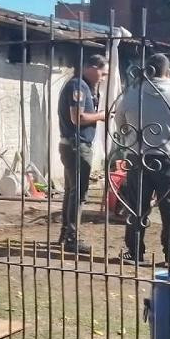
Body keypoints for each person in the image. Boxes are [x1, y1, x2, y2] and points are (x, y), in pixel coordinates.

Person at [113, 54, 170, 267]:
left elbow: (119, 120)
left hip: (138, 156)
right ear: (168, 71)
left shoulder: (132, 92)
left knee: (137, 206)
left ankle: (134, 252)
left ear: (148, 70)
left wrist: (130, 138)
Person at [57, 54, 109, 254]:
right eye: (102, 73)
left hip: (72, 145)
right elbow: (77, 117)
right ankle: (72, 238)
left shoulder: (83, 86)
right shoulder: (78, 86)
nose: (103, 78)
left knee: (72, 192)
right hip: (77, 146)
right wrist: (101, 116)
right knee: (78, 194)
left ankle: (65, 234)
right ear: (92, 67)